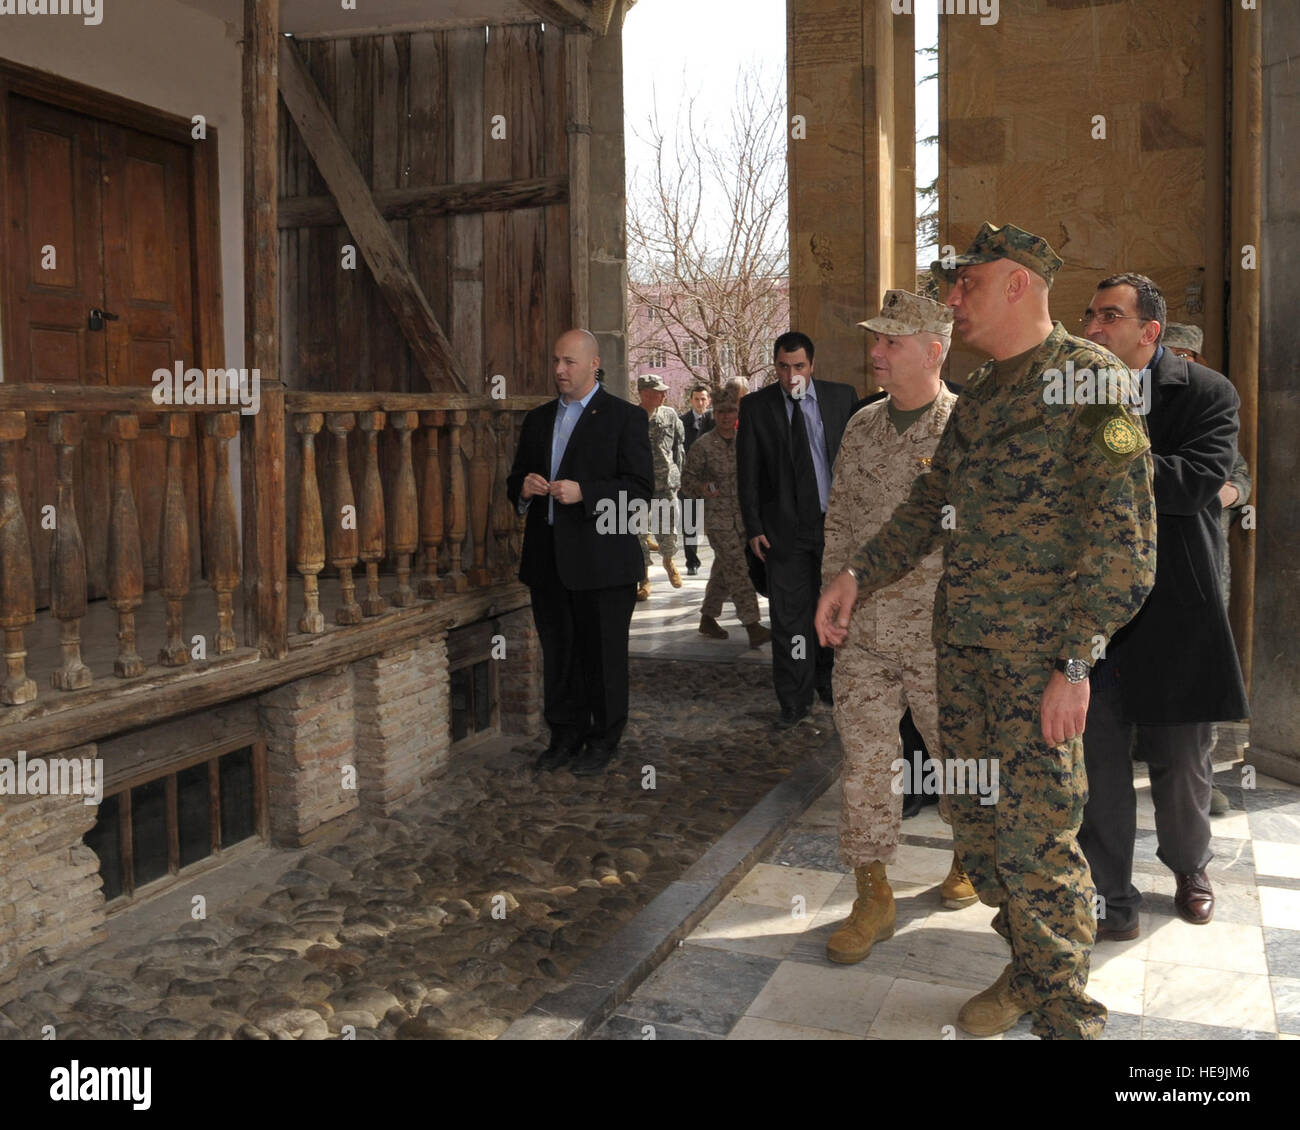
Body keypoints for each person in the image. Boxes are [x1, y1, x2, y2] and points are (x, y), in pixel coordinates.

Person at [816, 222, 1157, 1039]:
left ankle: (1067, 1013)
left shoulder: (1093, 384)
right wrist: (856, 575)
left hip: (1038, 664)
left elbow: (1128, 542)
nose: (955, 297)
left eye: (968, 283)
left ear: (1016, 285)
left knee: (1039, 842)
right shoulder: (987, 394)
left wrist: (1075, 663)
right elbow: (929, 508)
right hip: (962, 658)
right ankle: (1027, 964)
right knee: (980, 826)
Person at [1076, 277, 1249, 937]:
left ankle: (1189, 867)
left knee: (1182, 762)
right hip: (1096, 616)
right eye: (1089, 314)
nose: (1092, 326)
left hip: (1176, 609)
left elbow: (1196, 483)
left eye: (1109, 315)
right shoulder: (1074, 394)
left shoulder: (1208, 393)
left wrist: (1103, 447)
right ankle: (1110, 897)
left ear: (1150, 330)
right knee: (1099, 762)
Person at [820, 290, 977, 967]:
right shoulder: (860, 426)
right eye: (876, 340)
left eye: (891, 342)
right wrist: (832, 597)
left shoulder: (968, 429)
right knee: (866, 765)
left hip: (942, 634)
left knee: (956, 756)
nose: (876, 353)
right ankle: (872, 894)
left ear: (933, 350)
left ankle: (969, 857)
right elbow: (840, 522)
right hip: (865, 631)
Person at [506, 330, 653, 777]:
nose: (559, 370)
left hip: (604, 564)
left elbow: (641, 491)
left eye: (568, 362)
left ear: (594, 364)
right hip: (547, 561)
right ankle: (564, 735)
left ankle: (603, 740)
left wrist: (585, 492)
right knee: (560, 657)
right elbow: (513, 482)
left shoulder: (625, 418)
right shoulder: (537, 419)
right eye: (555, 360)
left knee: (603, 658)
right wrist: (525, 490)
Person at [737, 332, 856, 728]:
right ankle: (794, 698)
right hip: (783, 534)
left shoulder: (842, 399)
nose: (791, 376)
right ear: (775, 367)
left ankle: (828, 682)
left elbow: (857, 465)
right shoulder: (756, 407)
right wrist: (753, 526)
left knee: (834, 611)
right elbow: (748, 472)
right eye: (783, 368)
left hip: (835, 528)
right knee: (790, 621)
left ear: (813, 365)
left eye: (799, 367)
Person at [1163, 322, 1253, 817]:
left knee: (1200, 672)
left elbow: (1241, 479)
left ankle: (1200, 780)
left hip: (1204, 564)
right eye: (1172, 352)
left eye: (1187, 355)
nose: (1182, 362)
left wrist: (1220, 492)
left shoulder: (1211, 405)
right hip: (1149, 564)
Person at [680, 384, 771, 647]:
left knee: (724, 569)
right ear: (714, 413)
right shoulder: (703, 446)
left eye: (730, 411)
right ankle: (753, 625)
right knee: (738, 570)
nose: (726, 416)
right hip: (718, 521)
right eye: (720, 412)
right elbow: (686, 481)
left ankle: (708, 618)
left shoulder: (747, 441)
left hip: (744, 518)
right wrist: (702, 488)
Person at [635, 375, 685, 600]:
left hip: (666, 483)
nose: (664, 394)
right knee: (637, 533)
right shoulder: (631, 418)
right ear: (645, 394)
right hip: (639, 485)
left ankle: (668, 560)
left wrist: (677, 474)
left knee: (670, 528)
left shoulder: (670, 415)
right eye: (659, 391)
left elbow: (679, 447)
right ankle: (643, 578)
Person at [680, 383, 714, 576]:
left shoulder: (717, 420)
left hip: (711, 481)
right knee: (690, 522)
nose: (700, 402)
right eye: (697, 399)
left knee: (715, 523)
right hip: (691, 481)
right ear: (691, 400)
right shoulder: (682, 422)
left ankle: (719, 563)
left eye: (704, 399)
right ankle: (692, 561)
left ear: (708, 400)